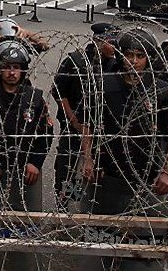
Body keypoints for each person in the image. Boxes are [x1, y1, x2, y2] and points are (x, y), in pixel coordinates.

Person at [79, 28, 168, 271]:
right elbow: (88, 126)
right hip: (108, 178)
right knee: (103, 243)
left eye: (140, 55)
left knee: (143, 249)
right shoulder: (103, 85)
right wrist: (87, 158)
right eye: (128, 55)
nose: (133, 61)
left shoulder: (161, 91)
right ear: (120, 56)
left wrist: (167, 172)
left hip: (146, 180)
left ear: (149, 58)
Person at [0, 40, 51, 269]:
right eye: (6, 66)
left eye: (16, 66)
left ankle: (20, 262)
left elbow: (46, 132)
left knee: (22, 225)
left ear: (23, 69)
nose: (12, 72)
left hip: (24, 172)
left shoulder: (34, 98)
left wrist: (35, 162)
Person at [51, 23, 117, 210]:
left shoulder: (113, 64)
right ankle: (66, 205)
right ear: (98, 41)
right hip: (74, 127)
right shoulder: (76, 61)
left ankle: (88, 206)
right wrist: (75, 121)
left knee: (95, 170)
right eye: (111, 43)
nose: (114, 47)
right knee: (70, 168)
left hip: (101, 130)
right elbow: (59, 93)